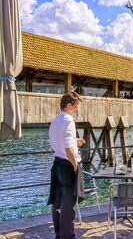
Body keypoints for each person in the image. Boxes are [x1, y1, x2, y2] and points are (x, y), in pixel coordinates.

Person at [48, 91, 85, 239]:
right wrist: (75, 165)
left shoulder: (56, 120)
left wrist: (76, 142)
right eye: (76, 106)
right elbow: (68, 148)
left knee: (57, 202)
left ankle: (59, 234)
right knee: (68, 204)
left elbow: (58, 143)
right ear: (69, 105)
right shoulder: (69, 120)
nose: (76, 109)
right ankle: (68, 236)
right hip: (67, 165)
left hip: (57, 162)